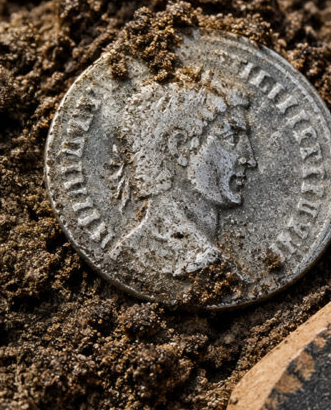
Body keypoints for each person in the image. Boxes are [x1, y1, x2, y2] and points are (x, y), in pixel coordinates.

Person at [109, 73, 257, 279]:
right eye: (231, 137)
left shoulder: (208, 263)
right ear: (180, 148)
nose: (250, 159)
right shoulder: (203, 267)